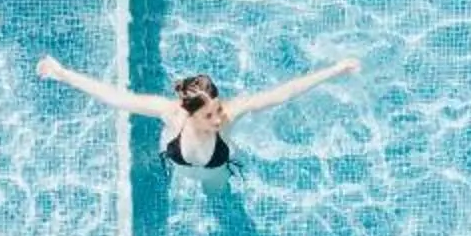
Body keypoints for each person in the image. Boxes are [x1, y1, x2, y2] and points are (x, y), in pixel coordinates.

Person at [36, 53, 361, 170]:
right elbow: (115, 97)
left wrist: (335, 69)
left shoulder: (230, 115)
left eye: (217, 109)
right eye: (209, 115)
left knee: (217, 191)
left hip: (216, 163)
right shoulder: (171, 114)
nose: (219, 119)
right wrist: (64, 74)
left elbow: (283, 94)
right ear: (187, 112)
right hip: (174, 156)